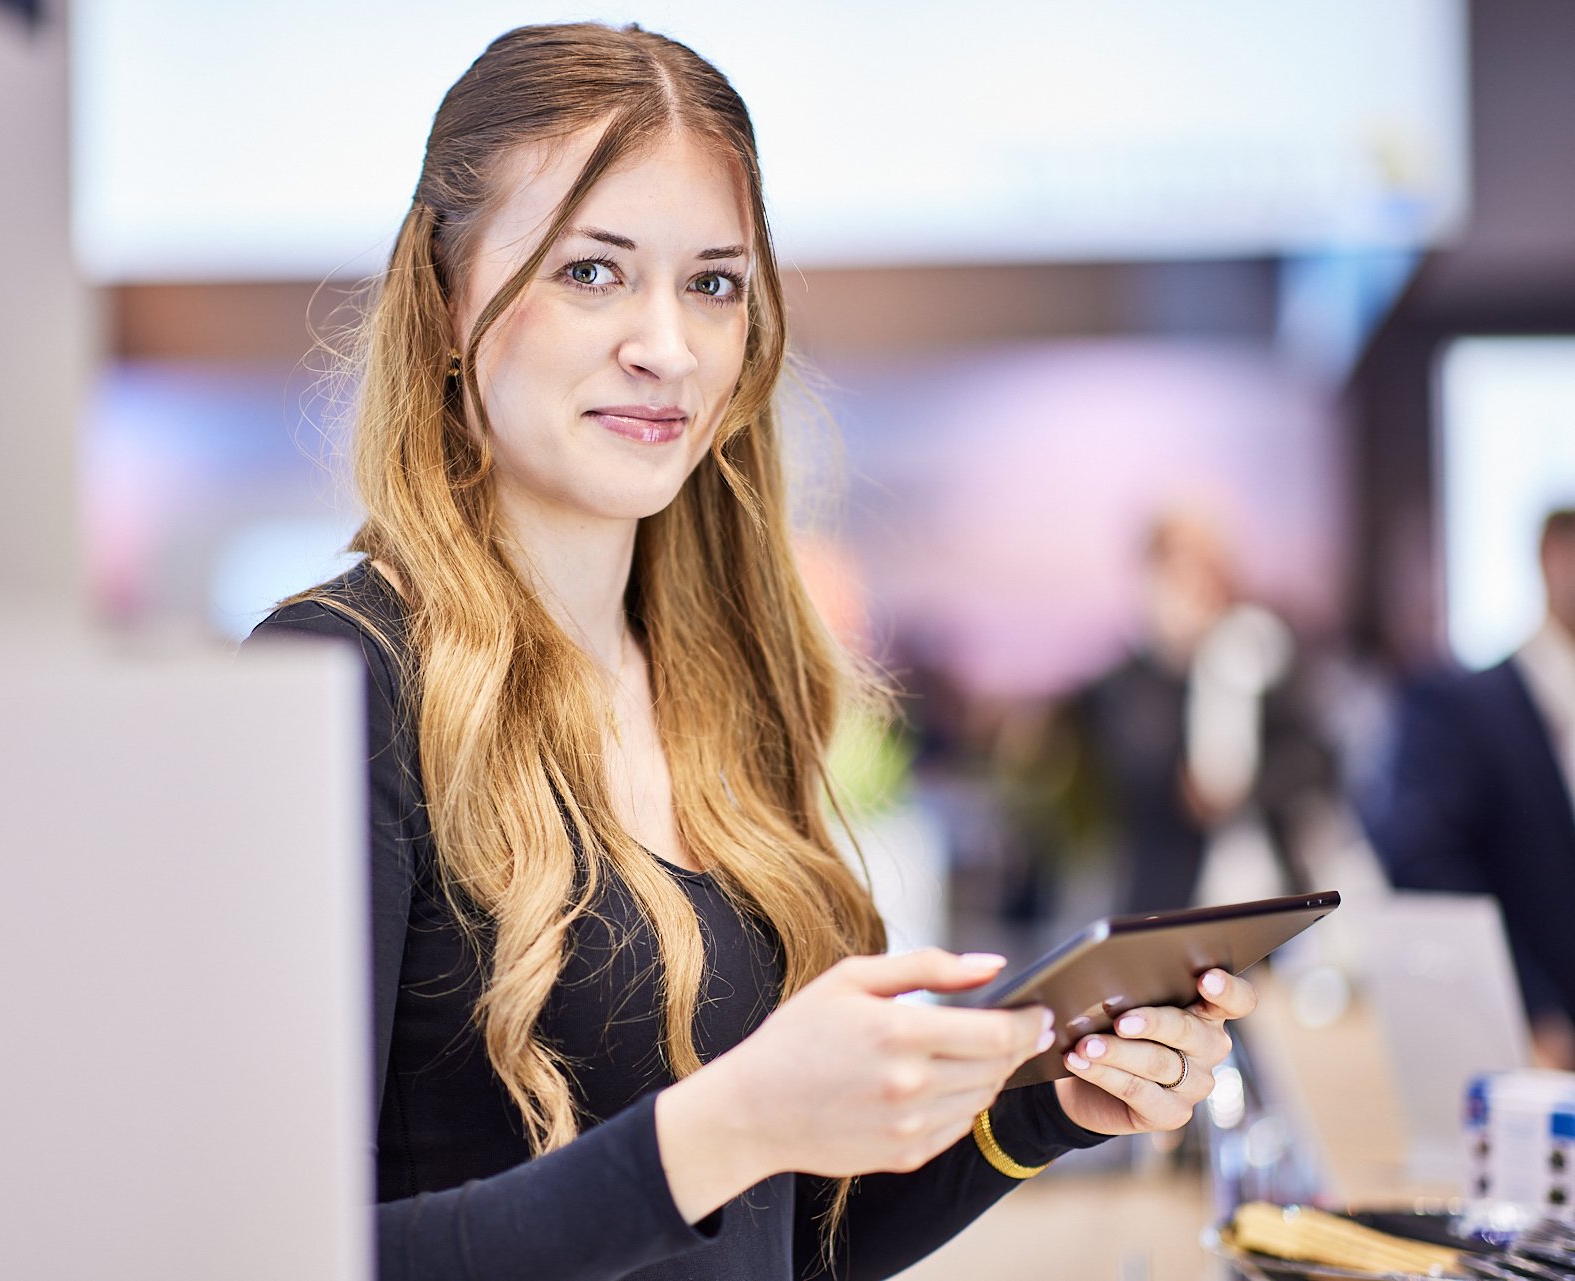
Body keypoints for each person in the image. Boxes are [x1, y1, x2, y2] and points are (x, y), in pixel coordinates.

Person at [243, 23, 1256, 1280]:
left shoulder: (721, 695)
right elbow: (272, 1254)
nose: (667, 347)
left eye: (713, 284)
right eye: (591, 272)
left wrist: (1044, 1103)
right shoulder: (336, 684)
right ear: (449, 300)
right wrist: (722, 1129)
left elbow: (780, 1244)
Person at [1365, 508, 1575, 1069]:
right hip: (1531, 1046)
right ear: (1555, 554)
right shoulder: (1458, 706)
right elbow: (1426, 864)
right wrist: (1526, 1008)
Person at [1051, 512, 1334, 917]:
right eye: (1183, 576)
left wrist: (1246, 789)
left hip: (1270, 895)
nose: (1199, 592)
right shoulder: (1122, 687)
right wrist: (1184, 661)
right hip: (1164, 902)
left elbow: (1314, 760)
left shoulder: (1257, 661)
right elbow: (1135, 776)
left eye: (1210, 575)